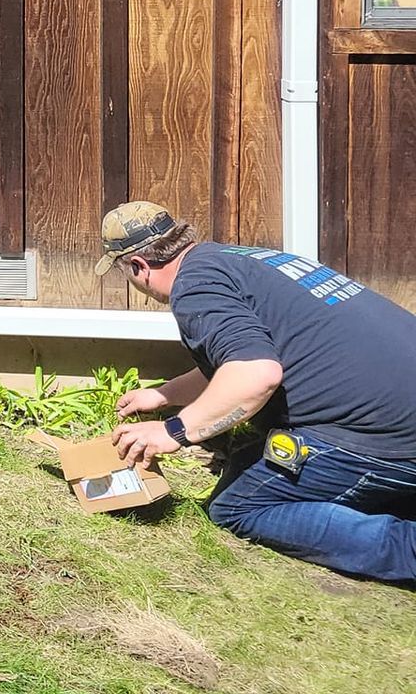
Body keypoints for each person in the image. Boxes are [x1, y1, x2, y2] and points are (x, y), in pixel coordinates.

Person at [98, 200, 416, 584]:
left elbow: (257, 374)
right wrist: (165, 395)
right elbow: (243, 356)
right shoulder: (237, 259)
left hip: (386, 437)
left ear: (138, 267)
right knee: (252, 453)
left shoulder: (194, 288)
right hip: (399, 412)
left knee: (237, 507)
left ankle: (405, 547)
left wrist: (174, 431)